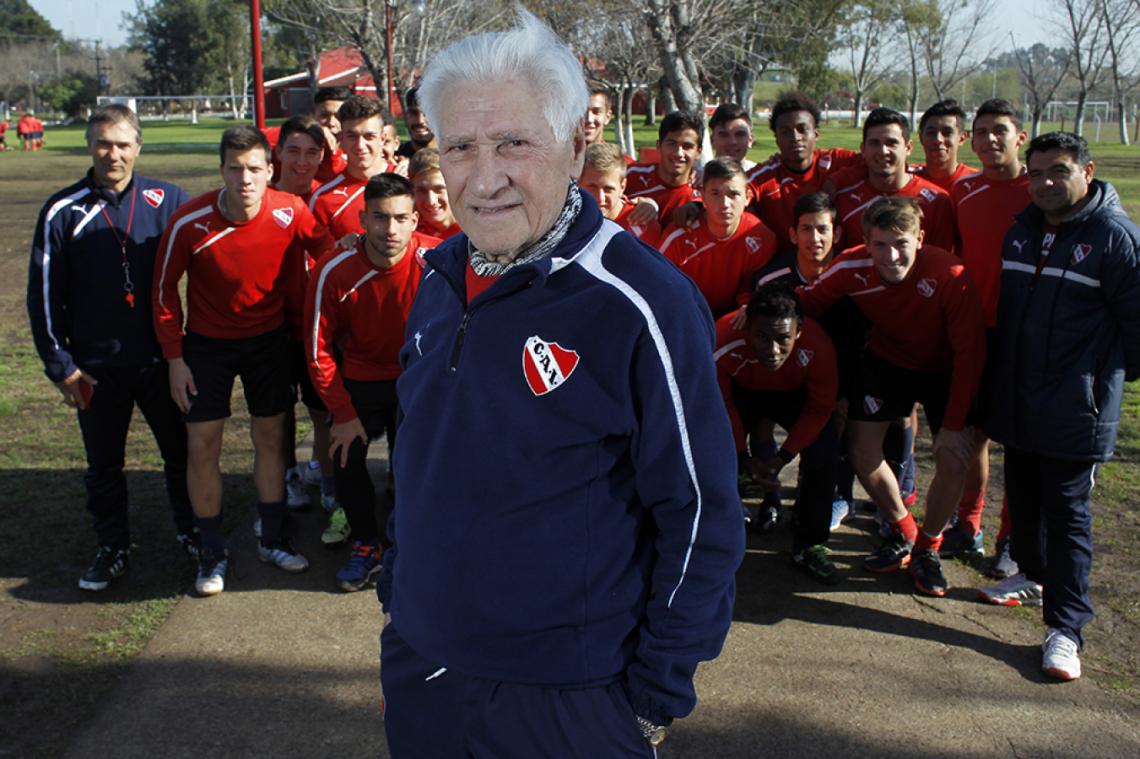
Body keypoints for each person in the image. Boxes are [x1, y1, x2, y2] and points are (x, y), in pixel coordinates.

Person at [377, 10, 744, 754]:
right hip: (424, 670)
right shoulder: (438, 277)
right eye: (460, 147)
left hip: (568, 702)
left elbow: (701, 515)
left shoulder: (642, 303)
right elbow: (424, 453)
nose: (484, 178)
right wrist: (401, 589)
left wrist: (650, 700)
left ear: (576, 144)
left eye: (515, 142)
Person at [978, 132, 1140, 681]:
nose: (1046, 183)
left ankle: (1066, 630)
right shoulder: (1022, 230)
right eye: (1037, 172)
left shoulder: (1116, 238)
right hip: (1021, 401)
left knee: (1068, 517)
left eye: (1059, 171)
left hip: (1076, 409)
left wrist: (1095, 383)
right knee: (1024, 508)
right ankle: (1033, 574)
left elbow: (1136, 333)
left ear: (1087, 172)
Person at [152, 126, 331, 596]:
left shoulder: (290, 210)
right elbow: (164, 292)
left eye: (255, 168)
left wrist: (353, 250)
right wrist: (175, 358)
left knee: (270, 437)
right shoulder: (189, 221)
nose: (245, 179)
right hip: (205, 349)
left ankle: (272, 538)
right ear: (221, 171)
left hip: (267, 343)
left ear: (270, 171)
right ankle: (211, 555)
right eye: (236, 168)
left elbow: (325, 250)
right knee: (203, 445)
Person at [27, 104, 194, 591]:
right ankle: (112, 546)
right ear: (89, 146)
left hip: (162, 363)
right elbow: (42, 295)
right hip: (94, 369)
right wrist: (62, 368)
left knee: (180, 454)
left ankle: (192, 533)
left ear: (139, 146)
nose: (113, 154)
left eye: (123, 144)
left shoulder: (170, 199)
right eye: (104, 143)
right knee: (103, 464)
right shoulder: (63, 210)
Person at [799, 197, 986, 598]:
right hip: (889, 360)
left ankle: (928, 547)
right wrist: (751, 310)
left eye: (901, 243)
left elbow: (970, 353)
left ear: (919, 238)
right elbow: (806, 302)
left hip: (946, 367)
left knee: (954, 454)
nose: (892, 255)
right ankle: (904, 529)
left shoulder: (950, 273)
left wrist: (953, 426)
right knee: (861, 450)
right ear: (866, 242)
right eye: (881, 245)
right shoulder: (851, 266)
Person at [306, 173, 439, 592]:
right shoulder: (334, 269)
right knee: (346, 455)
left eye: (401, 218)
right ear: (362, 219)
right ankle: (366, 543)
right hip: (360, 379)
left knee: (419, 465)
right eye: (380, 218)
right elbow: (317, 349)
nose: (391, 230)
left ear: (416, 220)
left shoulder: (437, 261)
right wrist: (342, 414)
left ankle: (413, 546)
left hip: (416, 383)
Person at [942, 98, 1031, 571]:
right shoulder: (964, 192)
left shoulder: (1040, 192)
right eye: (981, 132)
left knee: (1019, 442)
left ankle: (1012, 542)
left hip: (1025, 336)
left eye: (1000, 130)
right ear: (970, 141)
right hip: (976, 332)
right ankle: (968, 525)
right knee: (974, 437)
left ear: (1020, 136)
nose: (990, 139)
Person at [715, 284, 841, 584]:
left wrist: (784, 456)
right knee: (709, 446)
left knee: (825, 452)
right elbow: (719, 406)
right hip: (741, 392)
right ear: (747, 330)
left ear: (798, 332)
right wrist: (741, 456)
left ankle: (810, 543)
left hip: (793, 395)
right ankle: (714, 533)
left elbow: (819, 410)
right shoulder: (723, 338)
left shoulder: (818, 346)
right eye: (762, 337)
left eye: (783, 338)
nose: (772, 350)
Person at [272, 115, 340, 520]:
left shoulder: (324, 199)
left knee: (323, 410)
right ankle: (287, 476)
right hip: (272, 327)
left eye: (312, 153)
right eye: (293, 151)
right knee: (277, 410)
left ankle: (328, 481)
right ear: (278, 153)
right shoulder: (258, 197)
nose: (302, 161)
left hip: (317, 326)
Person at [657, 157, 777, 319]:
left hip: (734, 317)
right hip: (685, 314)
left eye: (733, 194)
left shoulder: (761, 237)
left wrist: (748, 306)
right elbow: (659, 285)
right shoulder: (678, 236)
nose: (725, 203)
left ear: (747, 197)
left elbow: (749, 287)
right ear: (703, 197)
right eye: (715, 193)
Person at [834, 108, 956, 252]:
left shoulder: (937, 202)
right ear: (863, 150)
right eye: (874, 143)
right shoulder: (844, 201)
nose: (883, 151)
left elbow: (940, 263)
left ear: (908, 148)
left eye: (892, 143)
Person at [745, 92, 861, 238]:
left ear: (816, 134)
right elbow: (729, 191)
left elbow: (878, 161)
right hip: (782, 258)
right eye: (785, 132)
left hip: (834, 255)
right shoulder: (766, 175)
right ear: (777, 138)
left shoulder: (835, 161)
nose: (795, 138)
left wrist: (834, 181)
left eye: (802, 129)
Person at [310, 96, 402, 240]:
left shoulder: (407, 181)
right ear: (341, 138)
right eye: (352, 136)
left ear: (382, 139)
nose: (360, 145)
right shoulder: (323, 198)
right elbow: (318, 258)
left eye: (369, 136)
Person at [625, 110, 703, 226]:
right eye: (671, 144)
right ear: (658, 146)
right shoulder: (631, 175)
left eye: (687, 146)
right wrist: (633, 203)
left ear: (698, 152)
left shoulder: (705, 192)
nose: (678, 153)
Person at [578, 142, 663, 245]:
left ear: (622, 187)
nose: (600, 198)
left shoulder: (644, 226)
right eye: (592, 187)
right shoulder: (567, 219)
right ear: (579, 182)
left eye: (608, 189)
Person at [407, 147, 460, 240]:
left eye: (439, 189)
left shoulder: (472, 232)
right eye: (421, 190)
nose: (431, 201)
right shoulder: (407, 231)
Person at [709, 103, 756, 171]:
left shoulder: (762, 177)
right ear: (712, 140)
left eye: (740, 134)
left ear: (750, 140)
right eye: (724, 135)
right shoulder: (699, 178)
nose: (732, 142)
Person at [394, 86, 436, 159]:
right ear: (406, 116)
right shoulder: (396, 159)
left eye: (427, 113)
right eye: (414, 113)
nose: (420, 121)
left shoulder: (455, 158)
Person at [583, 83, 615, 147]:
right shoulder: (558, 156)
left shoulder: (620, 157)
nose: (589, 119)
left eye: (596, 112)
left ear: (607, 117)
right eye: (582, 111)